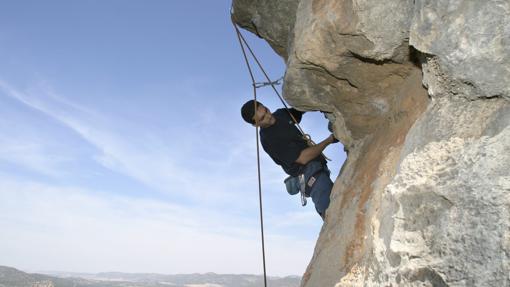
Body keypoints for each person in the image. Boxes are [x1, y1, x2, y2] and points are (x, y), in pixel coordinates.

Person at [241, 100, 338, 219]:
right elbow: (302, 158)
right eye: (262, 119)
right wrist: (330, 139)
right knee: (330, 212)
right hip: (309, 174)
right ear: (255, 125)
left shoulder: (281, 114)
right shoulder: (269, 140)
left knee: (338, 201)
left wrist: (322, 104)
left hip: (318, 165)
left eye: (266, 110)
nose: (269, 116)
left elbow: (301, 109)